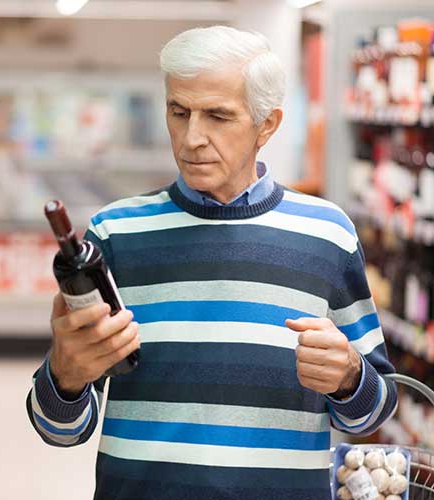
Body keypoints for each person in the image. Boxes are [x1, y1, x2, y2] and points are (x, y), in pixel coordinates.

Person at [26, 26, 397, 500]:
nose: (191, 138)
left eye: (218, 116)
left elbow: (373, 412)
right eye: (178, 112)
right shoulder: (116, 234)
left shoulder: (328, 233)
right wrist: (65, 374)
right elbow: (61, 430)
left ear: (267, 124)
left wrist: (349, 378)